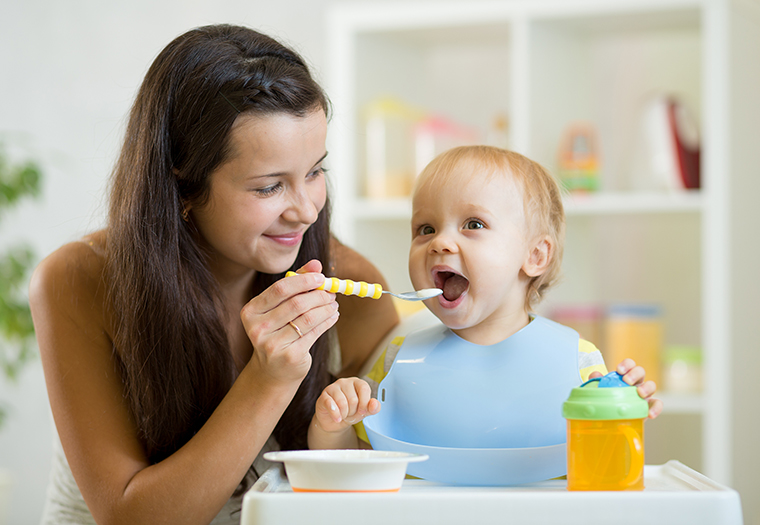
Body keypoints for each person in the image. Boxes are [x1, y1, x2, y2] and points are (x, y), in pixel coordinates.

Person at [28, 24, 398, 524]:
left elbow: (382, 484)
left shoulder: (351, 288)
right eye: (269, 188)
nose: (307, 211)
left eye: (315, 172)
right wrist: (267, 381)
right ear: (181, 186)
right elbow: (131, 518)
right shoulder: (78, 281)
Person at [307, 145, 662, 453]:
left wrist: (622, 412)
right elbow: (354, 462)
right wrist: (332, 426)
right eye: (425, 229)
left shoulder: (578, 364)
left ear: (536, 256)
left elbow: (602, 464)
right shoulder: (398, 362)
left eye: (473, 224)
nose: (440, 243)